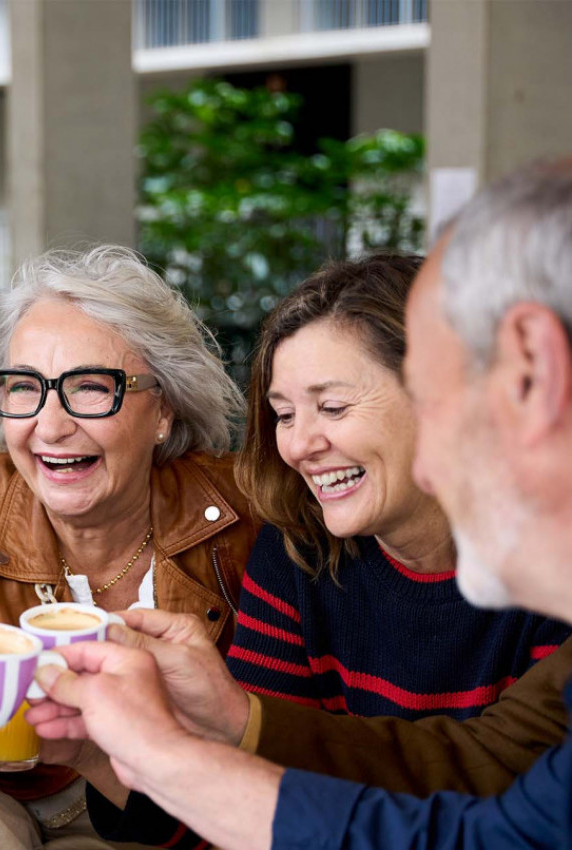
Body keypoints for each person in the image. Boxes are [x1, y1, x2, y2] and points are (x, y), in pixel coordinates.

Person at [30, 158, 572, 849]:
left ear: (536, 372)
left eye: (437, 399)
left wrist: (192, 742)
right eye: (283, 414)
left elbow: (482, 802)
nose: (298, 447)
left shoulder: (536, 576)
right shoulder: (301, 549)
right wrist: (180, 736)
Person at [0, 246, 261, 850]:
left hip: (175, 799)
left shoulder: (247, 515)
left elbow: (264, 769)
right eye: (25, 388)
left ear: (163, 408)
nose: (50, 428)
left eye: (91, 388)